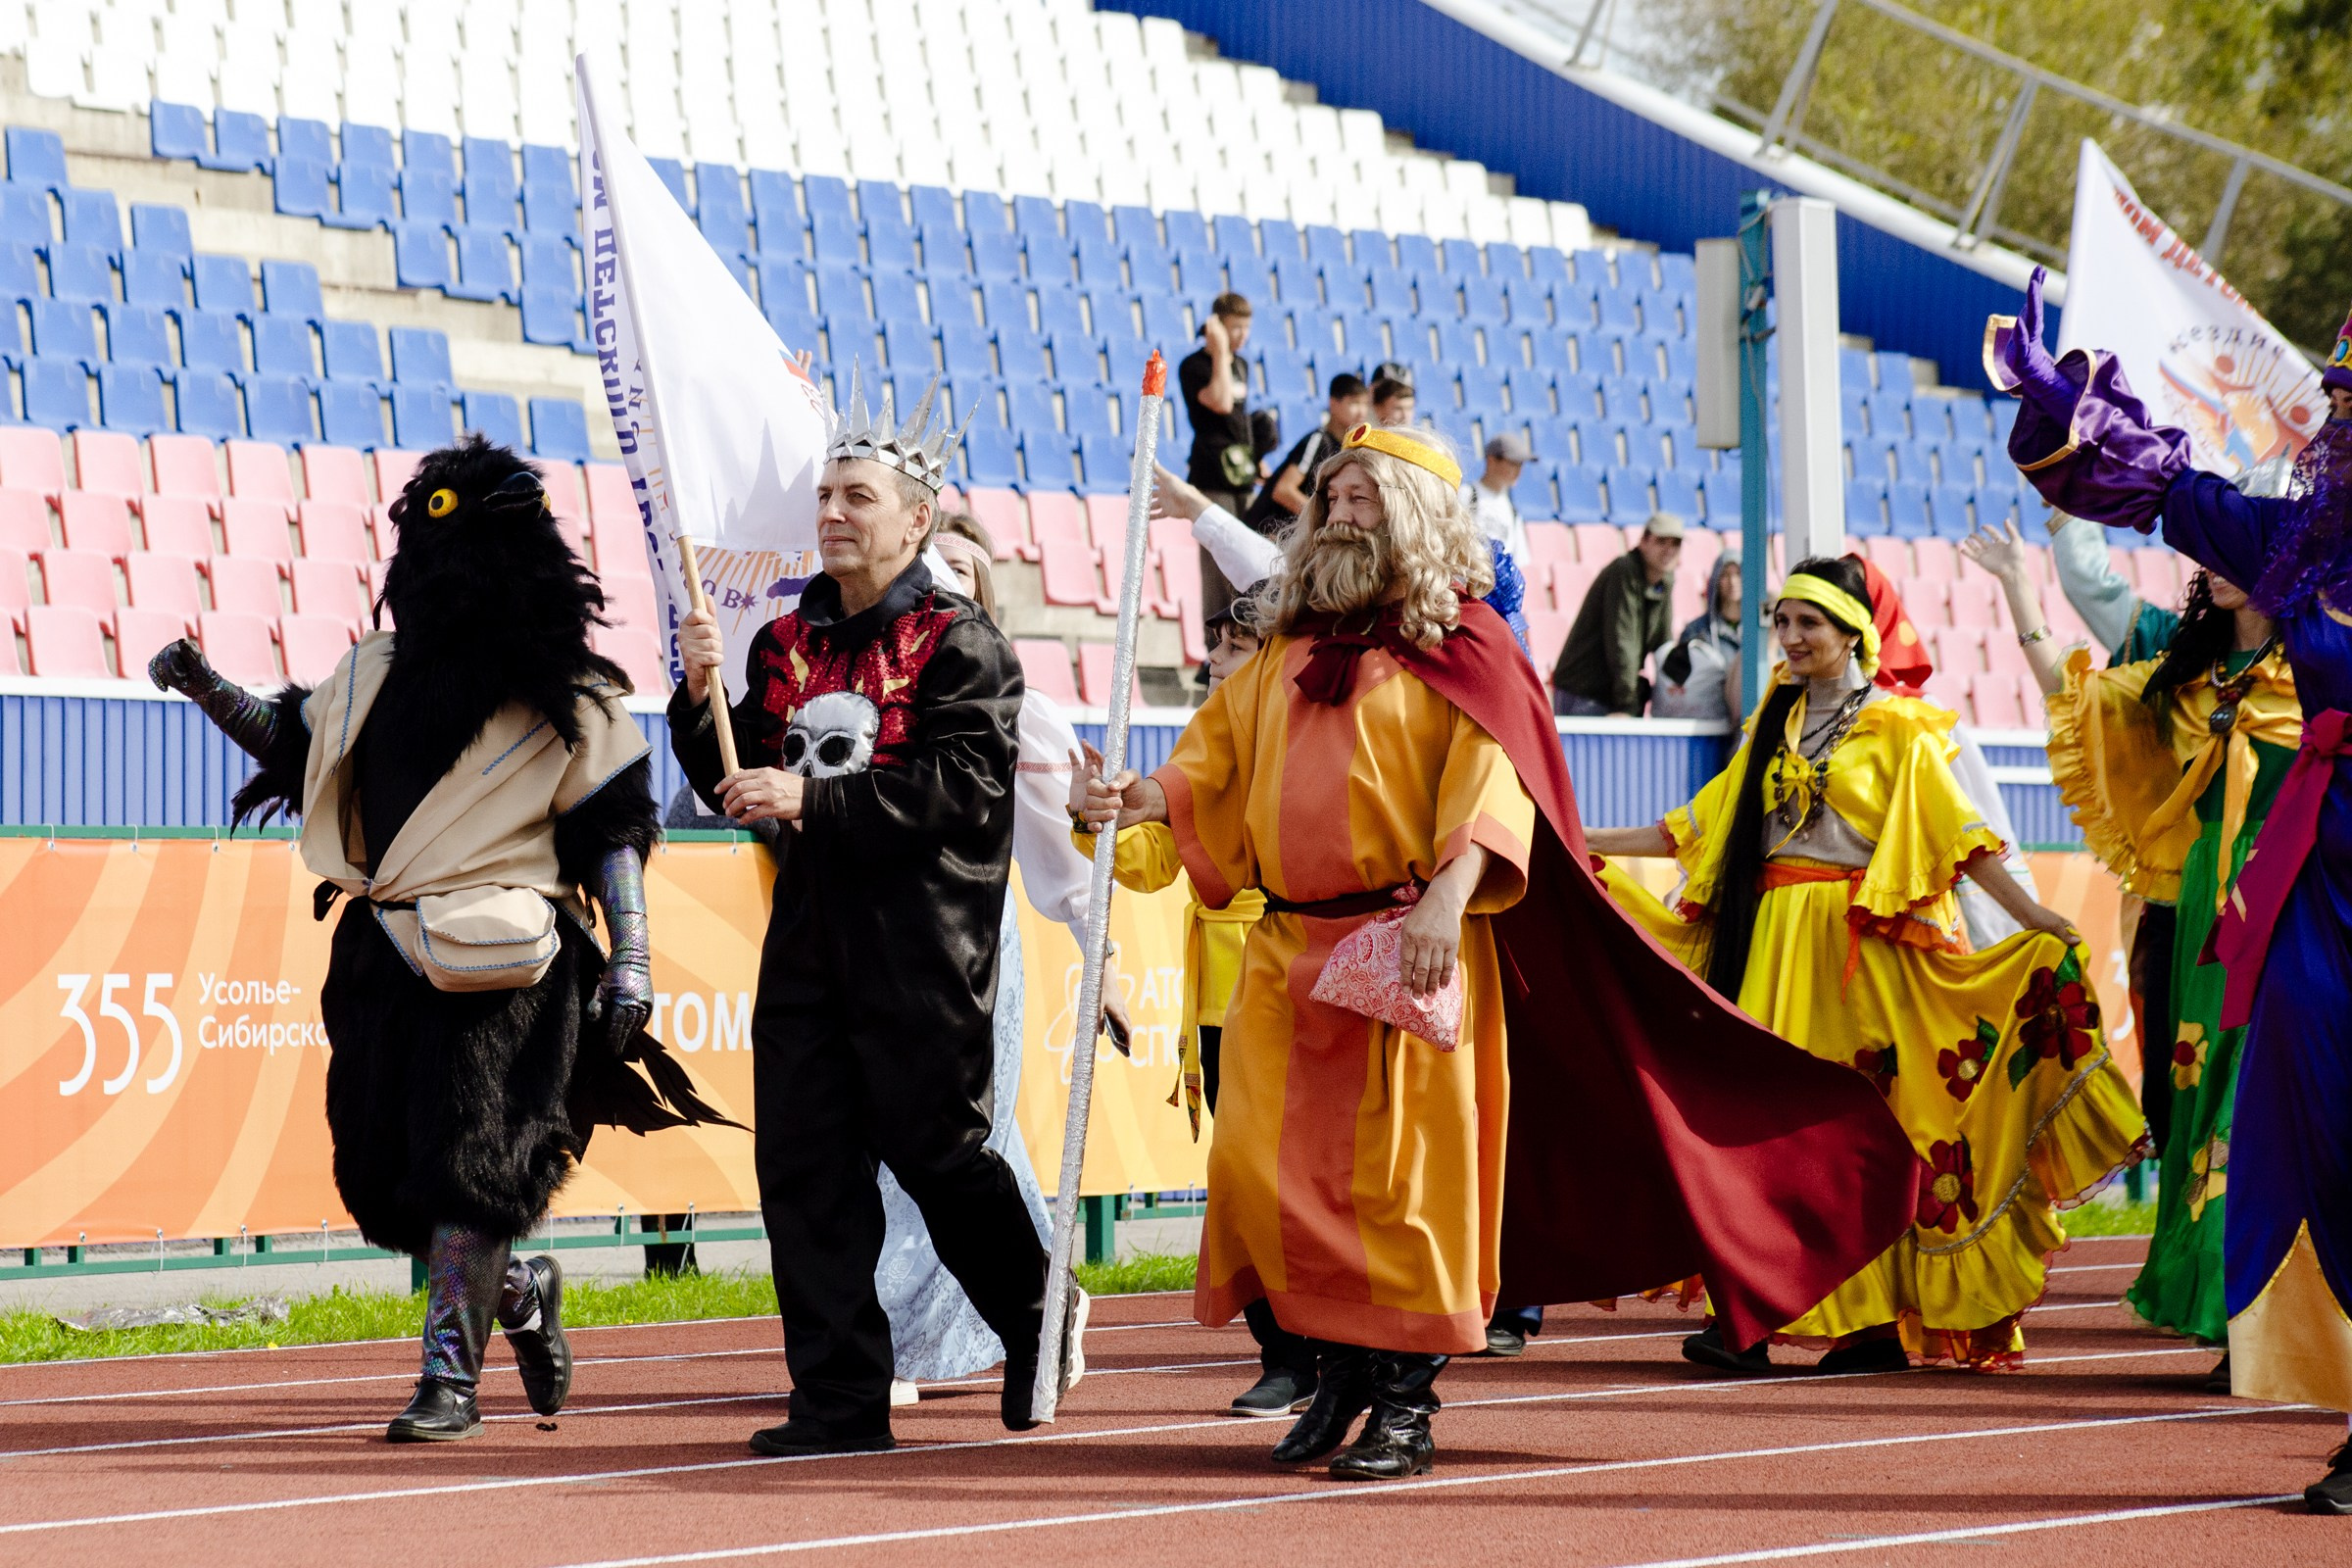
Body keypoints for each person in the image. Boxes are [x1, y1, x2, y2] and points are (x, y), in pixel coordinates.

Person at [1081, 423, 1921, 1481]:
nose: (1338, 515)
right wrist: (1139, 797)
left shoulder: (1465, 644)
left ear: (1414, 517)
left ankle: (1402, 1403)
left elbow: (1493, 786)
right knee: (1269, 1176)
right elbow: (1210, 768)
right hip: (1286, 956)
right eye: (1332, 498)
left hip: (1406, 949)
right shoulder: (1286, 648)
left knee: (1403, 1190)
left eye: (1362, 499)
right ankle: (1338, 1370)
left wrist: (1446, 898)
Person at [147, 437, 730, 1442]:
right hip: (384, 955)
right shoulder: (371, 672)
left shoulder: (573, 693)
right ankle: (523, 1294)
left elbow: (612, 830)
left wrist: (631, 952)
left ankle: (448, 1383)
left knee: (477, 1168)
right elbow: (297, 746)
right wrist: (209, 688)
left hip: (510, 964)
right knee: (384, 1181)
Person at [1591, 554, 2146, 1373]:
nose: (1790, 637)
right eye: (1782, 622)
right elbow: (1692, 829)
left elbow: (1960, 840)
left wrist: (2031, 917)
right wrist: (1580, 836)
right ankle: (1752, 1311)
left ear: (1852, 632)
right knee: (1764, 1127)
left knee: (1862, 1132)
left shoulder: (1900, 728)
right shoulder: (1771, 724)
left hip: (1859, 953)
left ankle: (1871, 1326)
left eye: (1808, 622)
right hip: (1775, 944)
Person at [1989, 277, 2352, 1511]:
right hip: (2321, 871)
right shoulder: (2301, 543)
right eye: (2340, 410)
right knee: (2318, 1117)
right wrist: (2069, 414)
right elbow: (2150, 491)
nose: (2342, 433)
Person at [668, 371, 1075, 1455]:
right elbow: (735, 773)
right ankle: (840, 1400)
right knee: (805, 1173)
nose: (834, 513)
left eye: (858, 497)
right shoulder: (781, 642)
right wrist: (695, 697)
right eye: (826, 496)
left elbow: (964, 791)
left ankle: (1038, 1313)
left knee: (942, 1158)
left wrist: (813, 798)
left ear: (916, 522)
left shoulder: (962, 643)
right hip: (808, 942)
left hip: (924, 950)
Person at [1968, 517, 2291, 1388]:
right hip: (2204, 912)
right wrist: (2019, 589)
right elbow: (2075, 699)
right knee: (2200, 1103)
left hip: (2296, 895)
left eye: (2236, 548)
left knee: (2261, 1099)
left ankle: (2279, 1312)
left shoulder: (2322, 665)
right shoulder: (2187, 676)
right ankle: (2231, 1311)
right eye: (2209, 552)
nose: (2214, 565)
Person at [859, 514, 1116, 1400]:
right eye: (931, 563)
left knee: (946, 1142)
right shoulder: (866, 688)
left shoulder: (1018, 708)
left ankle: (904, 1345)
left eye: (962, 567)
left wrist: (1103, 963)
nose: (942, 577)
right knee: (930, 1146)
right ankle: (1044, 1293)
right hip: (868, 935)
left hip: (969, 942)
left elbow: (1064, 867)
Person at [1065, 594, 1321, 1418]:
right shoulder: (1204, 741)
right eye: (1216, 643)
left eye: (1236, 645)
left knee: (1301, 1180)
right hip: (1220, 1003)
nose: (1214, 659)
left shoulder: (1313, 731)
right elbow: (1151, 865)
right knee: (1242, 1178)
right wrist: (1094, 817)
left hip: (1305, 982)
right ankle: (1288, 1356)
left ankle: (1341, 1350)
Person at [1552, 512, 1683, 716]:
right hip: (1584, 691)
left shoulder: (1664, 580)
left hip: (1610, 693)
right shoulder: (1624, 572)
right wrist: (1627, 705)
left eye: (1676, 543)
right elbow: (1623, 642)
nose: (1669, 550)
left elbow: (1663, 645)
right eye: (1661, 542)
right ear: (1644, 542)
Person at [1178, 291, 1258, 622]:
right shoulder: (1195, 365)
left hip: (1241, 474)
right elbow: (1222, 401)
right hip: (1212, 474)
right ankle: (1213, 642)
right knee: (1218, 564)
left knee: (1245, 558)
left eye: (1246, 328)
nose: (1242, 336)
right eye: (1235, 328)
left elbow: (1238, 418)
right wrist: (1220, 353)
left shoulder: (1242, 364)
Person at [1247, 372, 1369, 532]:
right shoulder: (1318, 440)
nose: (1362, 412)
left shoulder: (1346, 448)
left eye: (1365, 404)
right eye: (1354, 403)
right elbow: (1283, 490)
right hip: (1266, 534)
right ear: (1333, 404)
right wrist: (1325, 518)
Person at [1651, 546, 1741, 722]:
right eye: (1725, 575)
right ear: (1716, 580)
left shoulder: (1758, 631)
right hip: (1710, 722)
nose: (1733, 581)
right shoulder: (1697, 630)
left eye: (1738, 574)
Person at [1460, 431, 1532, 568]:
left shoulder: (1513, 512)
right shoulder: (1466, 494)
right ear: (1491, 460)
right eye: (1513, 463)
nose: (1518, 471)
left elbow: (1519, 562)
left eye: (1521, 465)